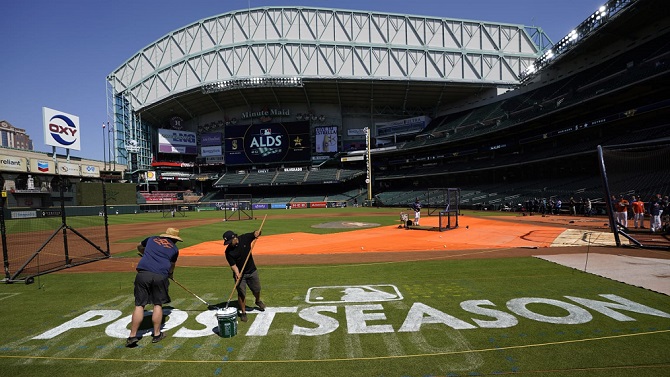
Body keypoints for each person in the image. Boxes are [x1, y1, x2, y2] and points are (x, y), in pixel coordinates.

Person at [126, 227, 182, 348]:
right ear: (174, 239)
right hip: (160, 275)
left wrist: (143, 253)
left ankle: (132, 336)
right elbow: (172, 266)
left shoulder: (151, 239)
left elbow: (139, 246)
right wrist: (170, 274)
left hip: (143, 274)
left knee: (139, 305)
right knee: (157, 304)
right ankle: (157, 334)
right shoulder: (174, 249)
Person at [223, 229, 265, 322]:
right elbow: (233, 266)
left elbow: (255, 233)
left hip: (252, 270)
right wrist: (237, 274)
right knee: (241, 293)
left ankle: (257, 301)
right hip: (240, 274)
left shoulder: (245, 238)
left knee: (257, 289)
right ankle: (243, 312)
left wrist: (258, 232)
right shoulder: (228, 252)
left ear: (234, 238)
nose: (229, 244)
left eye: (230, 242)